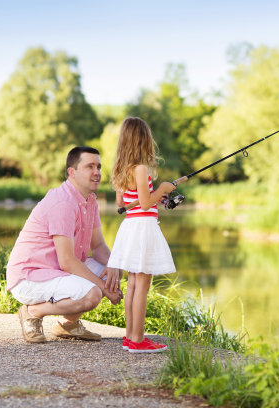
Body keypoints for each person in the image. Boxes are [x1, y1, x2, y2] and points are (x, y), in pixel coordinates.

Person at [6, 146, 123, 344]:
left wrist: (114, 269)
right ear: (72, 172)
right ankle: (32, 311)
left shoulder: (90, 200)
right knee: (93, 294)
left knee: (111, 271)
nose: (97, 172)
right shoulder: (63, 202)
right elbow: (67, 261)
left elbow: (99, 245)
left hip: (57, 270)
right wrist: (103, 287)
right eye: (89, 167)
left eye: (99, 167)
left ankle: (67, 325)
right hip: (31, 276)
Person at [107, 117, 177, 353]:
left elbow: (121, 202)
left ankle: (130, 337)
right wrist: (163, 189)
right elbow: (146, 203)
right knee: (142, 285)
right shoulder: (141, 169)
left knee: (133, 284)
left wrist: (155, 195)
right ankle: (138, 340)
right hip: (143, 227)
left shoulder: (121, 169)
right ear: (144, 141)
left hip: (129, 227)